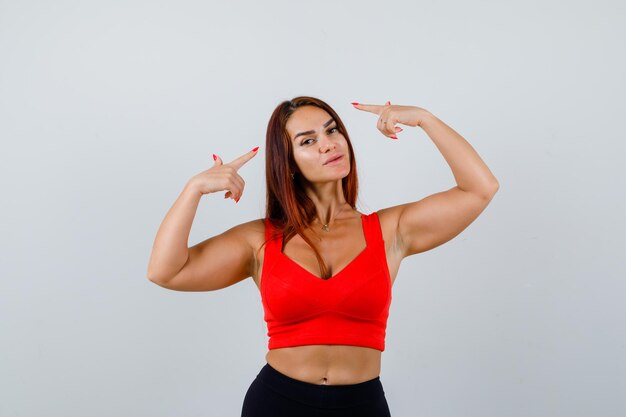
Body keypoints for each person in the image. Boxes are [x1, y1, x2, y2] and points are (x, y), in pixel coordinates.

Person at [147, 96, 499, 416]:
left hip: (362, 406)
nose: (329, 143)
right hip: (276, 404)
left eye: (332, 131)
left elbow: (480, 188)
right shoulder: (260, 239)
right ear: (289, 164)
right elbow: (166, 272)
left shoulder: (392, 230)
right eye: (308, 141)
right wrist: (192, 189)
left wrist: (425, 118)